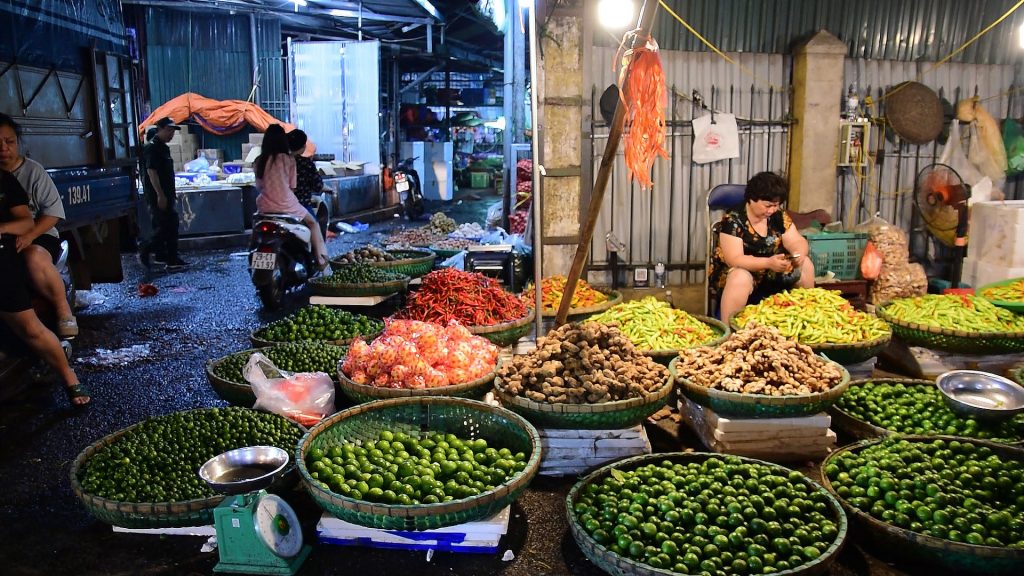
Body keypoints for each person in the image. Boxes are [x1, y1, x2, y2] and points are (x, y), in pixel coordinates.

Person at [0, 169, 89, 406]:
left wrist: (3, 229)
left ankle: (69, 376)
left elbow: (25, 222)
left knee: (30, 328)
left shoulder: (5, 180)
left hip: (3, 261)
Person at [0, 113, 77, 338]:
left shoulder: (33, 171)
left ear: (17, 142)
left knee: (33, 256)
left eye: (9, 141)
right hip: (7, 236)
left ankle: (63, 311)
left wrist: (30, 235)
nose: (3, 148)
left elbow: (53, 213)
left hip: (39, 233)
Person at [708, 171, 815, 321]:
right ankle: (730, 329)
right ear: (752, 199)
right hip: (741, 271)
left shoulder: (778, 216)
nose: (772, 210)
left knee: (806, 264)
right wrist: (768, 263)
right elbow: (735, 259)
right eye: (767, 206)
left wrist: (798, 254)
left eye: (776, 205)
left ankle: (807, 318)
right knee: (740, 277)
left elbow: (796, 240)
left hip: (773, 270)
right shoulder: (733, 220)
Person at [255, 125, 328, 269]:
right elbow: (292, 187)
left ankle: (257, 260)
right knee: (313, 224)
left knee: (256, 229)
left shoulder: (259, 161)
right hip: (286, 204)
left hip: (264, 205)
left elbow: (259, 186)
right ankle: (321, 261)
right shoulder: (288, 160)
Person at [139, 117, 187, 270]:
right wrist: (160, 195)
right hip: (157, 196)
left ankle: (171, 257)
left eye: (173, 131)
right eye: (169, 130)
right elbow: (151, 172)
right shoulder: (151, 148)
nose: (171, 134)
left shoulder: (164, 148)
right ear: (159, 129)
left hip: (167, 193)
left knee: (171, 224)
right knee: (163, 226)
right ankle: (146, 249)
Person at [286, 129, 323, 214]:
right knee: (313, 222)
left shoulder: (281, 161)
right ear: (303, 146)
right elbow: (318, 186)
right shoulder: (306, 163)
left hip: (282, 206)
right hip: (301, 206)